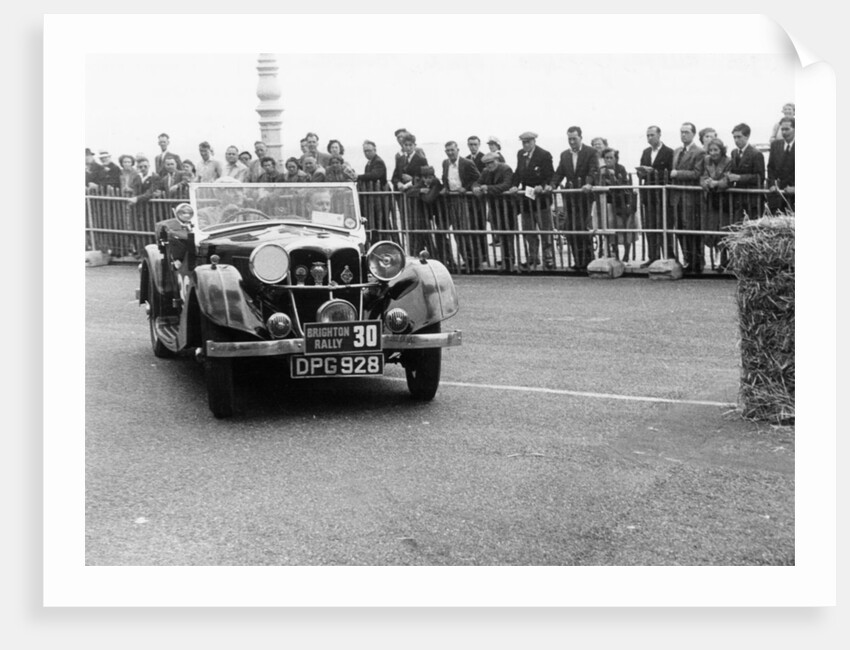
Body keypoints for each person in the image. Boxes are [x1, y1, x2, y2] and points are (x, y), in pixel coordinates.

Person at [551, 126, 599, 271]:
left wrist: (589, 183)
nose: (572, 142)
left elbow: (593, 169)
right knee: (569, 228)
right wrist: (552, 184)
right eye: (569, 139)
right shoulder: (565, 155)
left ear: (581, 138)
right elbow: (559, 172)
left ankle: (588, 261)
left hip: (584, 196)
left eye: (574, 138)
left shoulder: (590, 152)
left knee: (581, 227)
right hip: (570, 197)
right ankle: (578, 262)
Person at [508, 131, 555, 269]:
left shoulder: (544, 155)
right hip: (527, 199)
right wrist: (514, 186)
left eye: (528, 142)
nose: (526, 145)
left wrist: (543, 185)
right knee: (529, 231)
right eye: (524, 142)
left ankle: (549, 258)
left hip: (541, 200)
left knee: (546, 230)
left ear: (534, 141)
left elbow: (550, 174)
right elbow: (518, 172)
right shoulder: (520, 154)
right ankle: (533, 257)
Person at [669, 122, 706, 273]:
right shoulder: (677, 151)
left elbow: (697, 173)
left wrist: (678, 174)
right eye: (681, 132)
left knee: (692, 229)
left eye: (686, 132)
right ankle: (687, 259)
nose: (683, 135)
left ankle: (697, 263)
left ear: (693, 134)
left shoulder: (699, 152)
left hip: (690, 197)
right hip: (677, 197)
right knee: (679, 229)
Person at [636, 126, 674, 266]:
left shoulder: (669, 152)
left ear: (659, 135)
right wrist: (642, 172)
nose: (649, 138)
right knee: (650, 225)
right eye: (647, 135)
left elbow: (670, 172)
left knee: (665, 224)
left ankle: (669, 256)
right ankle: (653, 256)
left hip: (662, 194)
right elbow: (642, 169)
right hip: (649, 193)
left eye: (652, 135)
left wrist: (654, 171)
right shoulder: (646, 152)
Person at [442, 140, 482, 270]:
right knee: (457, 231)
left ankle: (473, 261)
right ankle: (466, 259)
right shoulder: (445, 163)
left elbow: (478, 178)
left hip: (464, 200)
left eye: (452, 150)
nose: (450, 153)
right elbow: (444, 177)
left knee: (465, 230)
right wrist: (446, 188)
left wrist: (466, 187)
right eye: (447, 150)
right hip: (451, 200)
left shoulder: (467, 163)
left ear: (457, 150)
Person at [473, 152, 516, 270]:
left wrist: (488, 188)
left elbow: (506, 185)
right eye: (487, 164)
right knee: (500, 233)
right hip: (494, 207)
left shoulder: (506, 169)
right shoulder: (486, 171)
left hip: (507, 206)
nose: (489, 165)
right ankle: (505, 257)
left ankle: (510, 259)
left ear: (497, 160)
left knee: (509, 233)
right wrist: (476, 188)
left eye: (491, 162)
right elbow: (478, 182)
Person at [699, 138, 731, 270]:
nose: (713, 153)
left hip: (725, 199)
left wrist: (717, 183)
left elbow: (727, 178)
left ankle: (724, 259)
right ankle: (717, 257)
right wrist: (706, 183)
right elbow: (702, 176)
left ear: (721, 150)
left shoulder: (728, 161)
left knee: (724, 229)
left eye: (716, 150)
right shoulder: (706, 160)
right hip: (711, 199)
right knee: (712, 228)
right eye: (711, 150)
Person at [599, 148, 636, 263]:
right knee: (611, 226)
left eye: (611, 157)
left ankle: (626, 255)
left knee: (627, 227)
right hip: (609, 202)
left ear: (616, 159)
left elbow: (625, 185)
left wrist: (614, 177)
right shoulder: (602, 170)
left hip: (622, 203)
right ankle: (615, 254)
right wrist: (602, 176)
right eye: (606, 158)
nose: (609, 160)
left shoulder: (621, 168)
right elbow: (599, 185)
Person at [727, 122, 766, 228]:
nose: (736, 140)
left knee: (754, 228)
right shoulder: (734, 152)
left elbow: (760, 177)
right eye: (734, 137)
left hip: (753, 198)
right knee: (736, 227)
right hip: (739, 198)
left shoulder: (756, 154)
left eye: (739, 137)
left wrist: (740, 178)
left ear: (747, 136)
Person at [357, 140, 392, 240]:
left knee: (381, 220)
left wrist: (359, 177)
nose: (367, 153)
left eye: (369, 150)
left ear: (375, 150)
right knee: (376, 220)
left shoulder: (378, 161)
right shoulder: (369, 162)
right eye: (365, 151)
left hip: (380, 197)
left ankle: (383, 240)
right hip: (374, 198)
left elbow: (375, 175)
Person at [767, 117, 795, 213]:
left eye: (787, 129)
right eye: (782, 129)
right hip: (778, 196)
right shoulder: (775, 145)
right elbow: (770, 167)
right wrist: (771, 184)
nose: (784, 132)